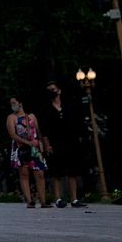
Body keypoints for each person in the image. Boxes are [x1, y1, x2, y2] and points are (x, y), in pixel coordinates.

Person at [40, 80, 85, 208]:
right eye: (49, 90)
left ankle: (74, 199)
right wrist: (47, 144)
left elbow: (77, 122)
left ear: (59, 90)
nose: (51, 92)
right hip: (55, 142)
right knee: (56, 172)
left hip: (71, 141)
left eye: (53, 89)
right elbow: (44, 129)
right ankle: (58, 198)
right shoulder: (46, 108)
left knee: (72, 171)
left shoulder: (69, 106)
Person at [5, 96, 48, 208]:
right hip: (21, 148)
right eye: (11, 104)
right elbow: (13, 135)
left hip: (35, 147)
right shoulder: (11, 118)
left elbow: (38, 131)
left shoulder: (31, 116)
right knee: (24, 173)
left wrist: (42, 144)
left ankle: (43, 200)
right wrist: (27, 142)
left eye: (14, 103)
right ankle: (29, 201)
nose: (12, 105)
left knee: (39, 173)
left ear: (20, 103)